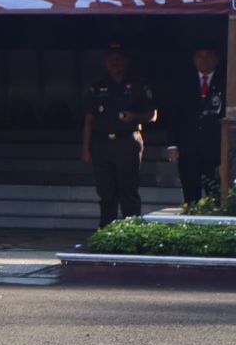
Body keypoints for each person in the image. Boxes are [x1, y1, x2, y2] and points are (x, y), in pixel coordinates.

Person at [83, 43, 156, 227]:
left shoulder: (139, 83)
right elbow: (89, 119)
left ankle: (131, 230)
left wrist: (134, 117)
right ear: (106, 61)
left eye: (119, 58)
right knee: (105, 191)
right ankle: (106, 231)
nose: (115, 62)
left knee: (128, 190)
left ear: (126, 60)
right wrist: (86, 148)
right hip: (102, 143)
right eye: (111, 59)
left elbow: (152, 114)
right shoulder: (97, 85)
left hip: (127, 141)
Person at [167, 43, 225, 205]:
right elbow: (174, 114)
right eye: (200, 56)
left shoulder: (226, 81)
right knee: (190, 192)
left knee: (216, 193)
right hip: (189, 147)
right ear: (194, 59)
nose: (204, 60)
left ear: (216, 59)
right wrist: (172, 144)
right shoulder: (183, 82)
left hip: (216, 148)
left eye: (208, 56)